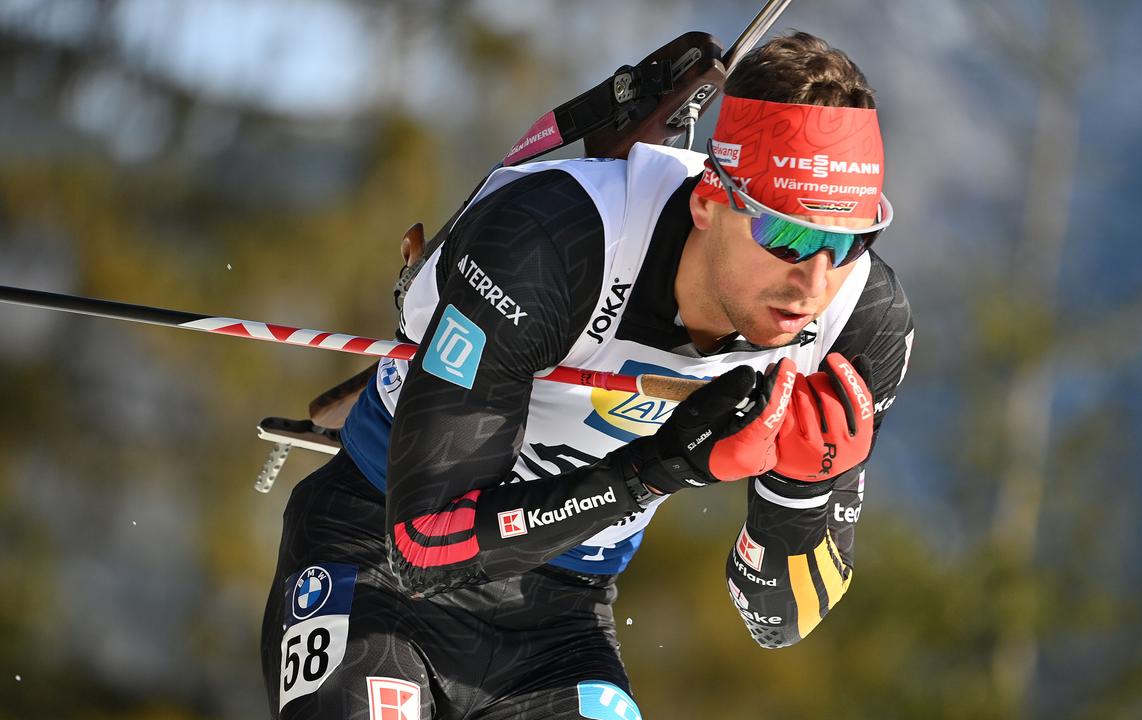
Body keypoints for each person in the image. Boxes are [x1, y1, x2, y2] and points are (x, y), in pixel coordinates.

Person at [261, 31, 914, 720]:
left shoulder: (860, 323)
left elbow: (776, 624)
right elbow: (425, 548)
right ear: (708, 199)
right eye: (787, 236)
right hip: (374, 558)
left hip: (558, 621)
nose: (813, 283)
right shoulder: (555, 240)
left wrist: (798, 495)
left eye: (849, 240)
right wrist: (661, 467)